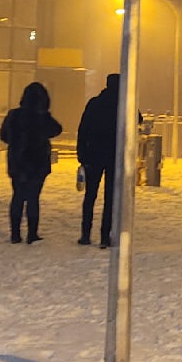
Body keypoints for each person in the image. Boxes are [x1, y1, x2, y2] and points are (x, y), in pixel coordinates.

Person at [0, 81, 62, 244]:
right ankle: (32, 233)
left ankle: (15, 233)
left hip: (17, 161)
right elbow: (57, 129)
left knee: (18, 196)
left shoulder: (14, 115)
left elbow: (4, 136)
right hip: (38, 162)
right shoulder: (43, 117)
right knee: (33, 197)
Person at [76, 73, 119, 248]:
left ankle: (85, 233)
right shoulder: (122, 105)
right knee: (110, 197)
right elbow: (138, 118)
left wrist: (81, 154)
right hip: (114, 157)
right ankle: (104, 236)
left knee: (90, 196)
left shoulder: (94, 103)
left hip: (93, 155)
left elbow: (83, 129)